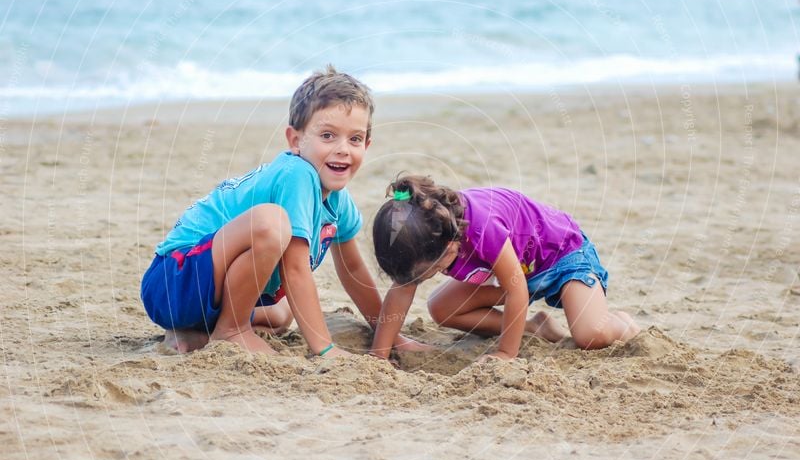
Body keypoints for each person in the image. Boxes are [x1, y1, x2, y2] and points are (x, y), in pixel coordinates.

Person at [141, 66, 419, 357]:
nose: (343, 149)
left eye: (355, 139)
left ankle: (195, 331)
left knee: (282, 313)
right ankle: (231, 330)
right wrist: (324, 348)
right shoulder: (297, 174)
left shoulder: (339, 199)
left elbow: (352, 270)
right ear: (295, 140)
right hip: (175, 278)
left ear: (367, 144)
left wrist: (388, 334)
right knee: (271, 223)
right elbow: (295, 269)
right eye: (327, 135)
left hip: (205, 297)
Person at [370, 175, 641, 361]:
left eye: (429, 271)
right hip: (518, 270)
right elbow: (401, 290)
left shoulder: (481, 227)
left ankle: (623, 322)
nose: (421, 279)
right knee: (441, 308)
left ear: (450, 245)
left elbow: (516, 289)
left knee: (590, 335)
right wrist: (379, 355)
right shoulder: (424, 233)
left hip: (562, 257)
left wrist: (506, 354)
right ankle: (535, 327)